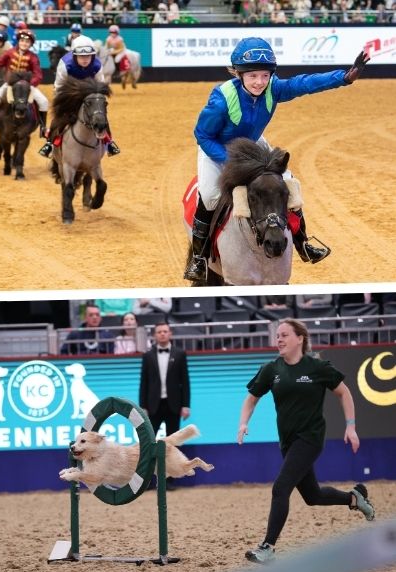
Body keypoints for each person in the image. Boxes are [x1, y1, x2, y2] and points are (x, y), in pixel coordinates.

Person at [184, 37, 371, 282]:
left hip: (253, 146)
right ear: (238, 74)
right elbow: (203, 135)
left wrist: (344, 77)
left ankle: (303, 243)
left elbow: (304, 83)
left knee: (288, 183)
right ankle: (199, 258)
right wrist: (229, 161)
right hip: (219, 149)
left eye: (265, 75)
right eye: (252, 76)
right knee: (209, 196)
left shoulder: (274, 88)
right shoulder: (221, 99)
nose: (260, 82)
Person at [237, 318, 375, 564]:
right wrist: (243, 423)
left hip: (310, 438)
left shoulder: (317, 367)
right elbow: (251, 399)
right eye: (277, 335)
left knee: (280, 488)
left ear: (300, 338)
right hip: (288, 442)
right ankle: (354, 498)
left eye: (284, 335)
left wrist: (351, 427)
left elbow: (344, 393)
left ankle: (267, 547)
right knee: (313, 496)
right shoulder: (271, 369)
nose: (278, 339)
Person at [38, 35, 121, 158]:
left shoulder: (97, 64)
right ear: (74, 55)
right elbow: (58, 86)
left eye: (88, 55)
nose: (85, 59)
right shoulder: (65, 64)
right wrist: (64, 101)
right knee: (59, 117)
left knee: (100, 115)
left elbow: (100, 85)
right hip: (69, 95)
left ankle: (108, 143)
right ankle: (50, 144)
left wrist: (97, 99)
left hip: (89, 95)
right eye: (81, 56)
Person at [139, 322, 191, 489]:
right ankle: (146, 480)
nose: (162, 334)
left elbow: (185, 381)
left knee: (171, 444)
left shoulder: (180, 354)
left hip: (173, 405)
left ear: (170, 334)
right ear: (155, 335)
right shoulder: (147, 356)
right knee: (148, 444)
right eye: (159, 332)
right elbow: (144, 383)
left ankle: (168, 481)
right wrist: (143, 406)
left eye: (165, 331)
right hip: (153, 406)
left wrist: (185, 405)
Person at [0, 29, 49, 138]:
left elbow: (38, 75)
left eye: (27, 42)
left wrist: (31, 83)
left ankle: (42, 127)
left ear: (31, 44)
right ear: (18, 41)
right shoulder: (10, 53)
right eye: (22, 40)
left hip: (27, 85)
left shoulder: (33, 57)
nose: (24, 43)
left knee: (44, 102)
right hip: (10, 84)